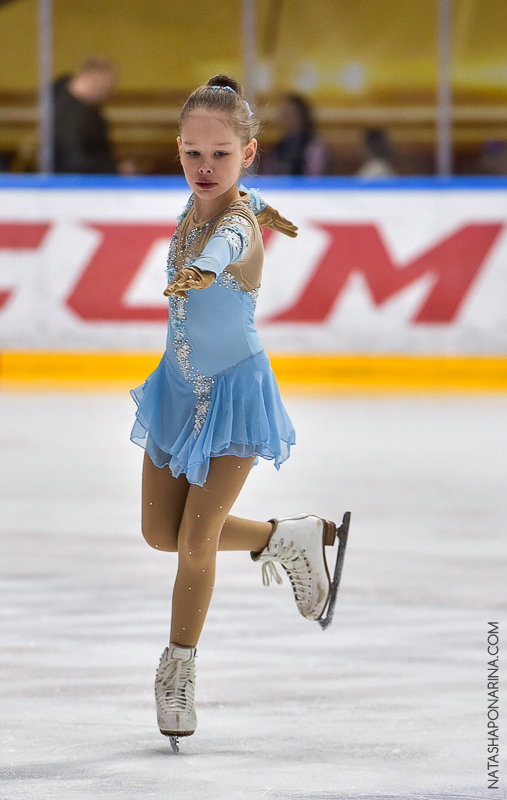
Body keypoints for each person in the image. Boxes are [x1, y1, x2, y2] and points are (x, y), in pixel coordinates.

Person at [130, 75, 349, 753]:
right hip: (176, 391)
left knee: (195, 544)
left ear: (248, 152)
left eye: (220, 155)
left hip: (233, 395)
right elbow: (247, 207)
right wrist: (269, 212)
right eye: (193, 152)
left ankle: (178, 672)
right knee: (159, 534)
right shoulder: (211, 204)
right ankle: (289, 536)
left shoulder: (229, 225)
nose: (204, 166)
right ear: (179, 149)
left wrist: (205, 268)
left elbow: (232, 238)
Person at [52, 58, 129, 174]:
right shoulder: (65, 113)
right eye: (107, 87)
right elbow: (75, 162)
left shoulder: (87, 107)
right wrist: (114, 172)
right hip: (74, 186)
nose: (109, 93)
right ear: (95, 80)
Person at [263, 93, 327, 176]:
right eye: (283, 114)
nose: (283, 119)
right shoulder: (278, 148)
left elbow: (314, 179)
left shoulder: (313, 147)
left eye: (289, 114)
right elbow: (268, 176)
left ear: (301, 117)